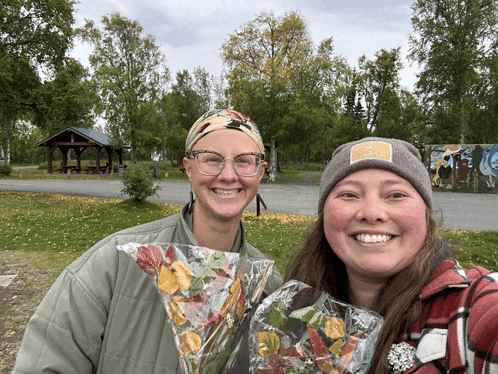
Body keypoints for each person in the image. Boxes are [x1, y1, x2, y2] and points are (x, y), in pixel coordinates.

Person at [13, 109, 284, 374]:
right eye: (212, 159)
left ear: (260, 172)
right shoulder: (116, 264)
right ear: (189, 168)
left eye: (243, 161)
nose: (227, 175)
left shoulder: (270, 289)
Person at [285, 137, 498, 374]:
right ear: (324, 215)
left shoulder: (473, 309)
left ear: (425, 214)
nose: (372, 213)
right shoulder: (290, 308)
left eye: (396, 195)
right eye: (349, 195)